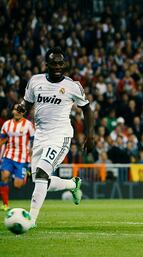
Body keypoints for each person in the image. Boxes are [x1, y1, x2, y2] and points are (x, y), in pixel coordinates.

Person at [19, 47, 95, 227]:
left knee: (43, 173)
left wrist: (90, 135)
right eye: (53, 63)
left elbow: (87, 109)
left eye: (61, 63)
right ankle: (72, 184)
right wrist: (21, 108)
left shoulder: (72, 86)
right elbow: (27, 103)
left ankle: (31, 220)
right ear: (47, 64)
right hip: (40, 136)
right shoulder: (35, 81)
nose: (57, 66)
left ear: (65, 64)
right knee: (39, 180)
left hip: (61, 136)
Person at [0, 104, 35, 211]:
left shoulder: (28, 125)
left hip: (23, 157)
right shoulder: (6, 125)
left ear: (23, 112)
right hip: (9, 155)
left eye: (20, 110)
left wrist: (32, 154)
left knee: (17, 185)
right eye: (16, 109)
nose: (18, 112)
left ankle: (25, 175)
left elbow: (33, 140)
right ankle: (5, 204)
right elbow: (1, 140)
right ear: (13, 111)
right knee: (4, 176)